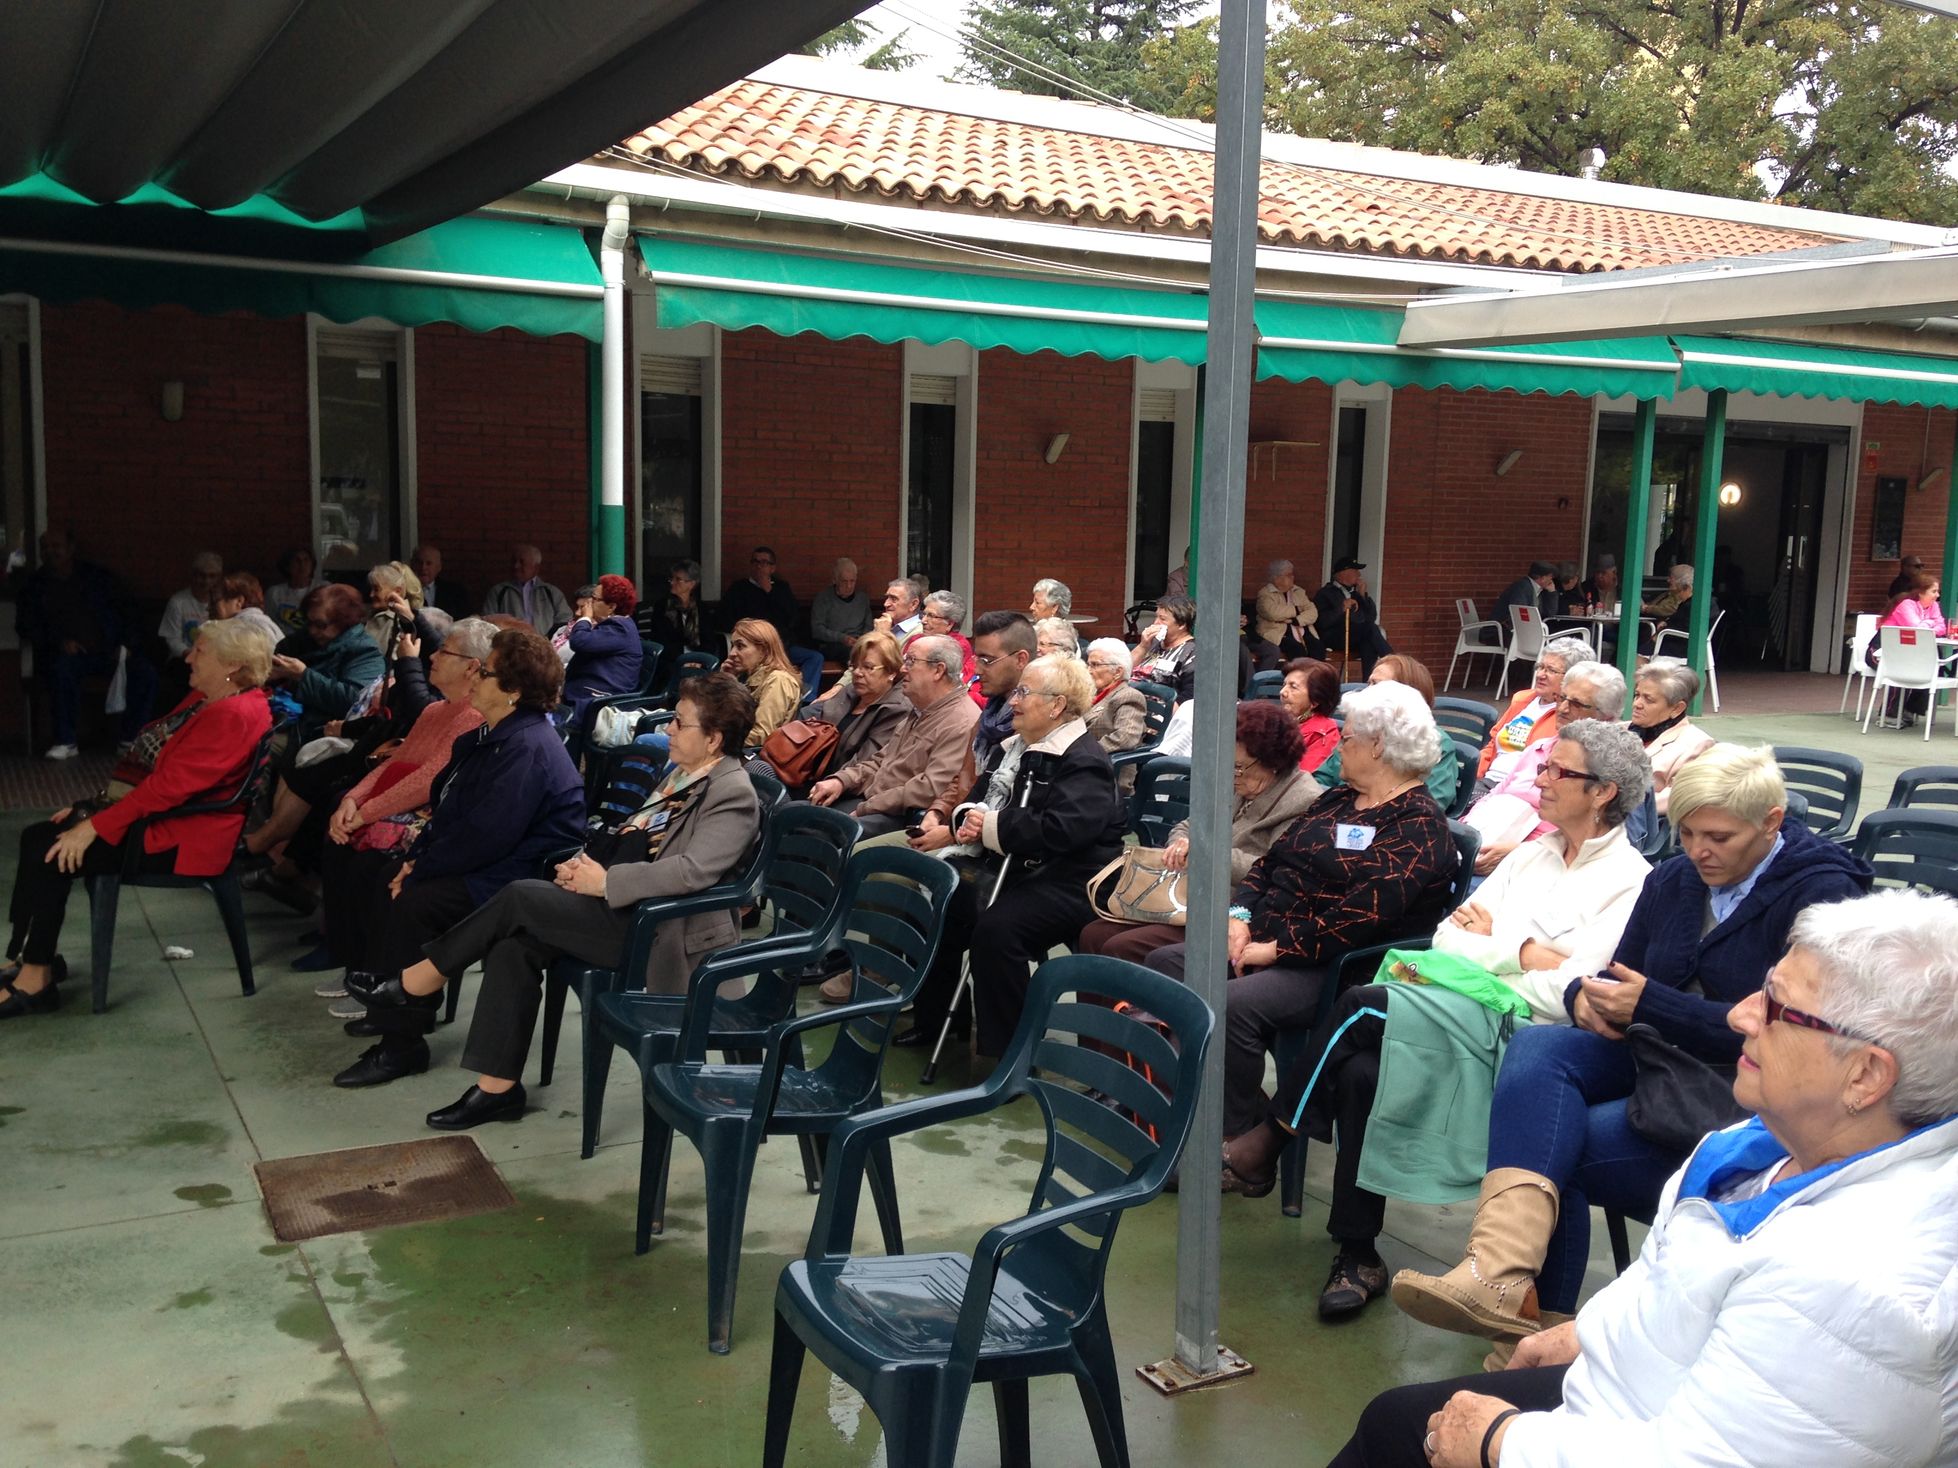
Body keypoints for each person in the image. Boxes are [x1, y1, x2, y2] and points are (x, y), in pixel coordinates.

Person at [1331, 887, 1958, 1468]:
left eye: (1777, 1008)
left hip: (1651, 1434)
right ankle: (1501, 1272)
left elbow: (1704, 1459)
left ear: (1865, 1076)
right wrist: (1588, 1332)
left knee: (1398, 1432)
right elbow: (1673, 1280)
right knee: (1394, 1419)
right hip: (1638, 1397)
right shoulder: (1763, 1146)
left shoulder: (1854, 1283)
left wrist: (1501, 1441)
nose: (1741, 1016)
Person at [1392, 744, 1872, 1345]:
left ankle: (1526, 1335)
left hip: (1741, 1090)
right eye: (1687, 832)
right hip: (1658, 1059)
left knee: (1554, 1146)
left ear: (1771, 822)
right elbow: (1620, 976)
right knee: (1541, 1047)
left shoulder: (1825, 899)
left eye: (1719, 837)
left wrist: (1650, 1006)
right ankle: (1496, 1273)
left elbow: (1791, 1037)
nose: (1699, 850)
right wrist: (1585, 998)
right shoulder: (1674, 878)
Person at [1220, 721, 1652, 1321]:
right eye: (1545, 766)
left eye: (1559, 770)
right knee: (1362, 1070)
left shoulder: (1630, 882)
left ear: (1603, 791)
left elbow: (1571, 994)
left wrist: (1497, 949)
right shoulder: (1532, 855)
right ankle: (1357, 1253)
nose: (1540, 779)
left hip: (1530, 1042)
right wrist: (1526, 954)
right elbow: (1447, 937)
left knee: (1364, 1003)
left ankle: (1272, 1135)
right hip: (1455, 1010)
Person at [352, 673, 763, 1128]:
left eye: (680, 723)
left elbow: (692, 871)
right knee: (514, 945)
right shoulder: (684, 773)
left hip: (660, 930)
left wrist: (605, 883)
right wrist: (582, 868)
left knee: (519, 896)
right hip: (626, 910)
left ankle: (417, 982)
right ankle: (497, 1090)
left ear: (714, 738)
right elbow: (636, 839)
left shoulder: (733, 792)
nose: (668, 728)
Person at [1143, 682, 1459, 1139]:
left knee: (1230, 1006)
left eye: (1346, 738)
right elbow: (1269, 863)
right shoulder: (1337, 800)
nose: (1338, 747)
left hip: (1335, 966)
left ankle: (1225, 1139)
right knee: (1166, 964)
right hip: (1267, 935)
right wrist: (1239, 918)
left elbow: (1361, 917)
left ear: (1378, 746)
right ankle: (1205, 1105)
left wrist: (1277, 950)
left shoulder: (1417, 825)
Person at [326, 627, 586, 1087]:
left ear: (512, 690)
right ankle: (394, 1012)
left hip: (521, 878)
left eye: (485, 673)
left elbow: (486, 836)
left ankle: (401, 1044)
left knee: (416, 902)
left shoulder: (525, 746)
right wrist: (415, 860)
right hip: (494, 862)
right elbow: (450, 809)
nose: (474, 679)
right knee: (392, 876)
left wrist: (420, 869)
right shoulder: (494, 733)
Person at [2, 620, 272, 1016]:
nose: (188, 657)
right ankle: (32, 958)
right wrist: (91, 807)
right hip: (164, 821)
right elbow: (153, 771)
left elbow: (168, 788)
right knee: (36, 836)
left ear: (232, 664)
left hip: (182, 838)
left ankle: (36, 979)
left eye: (200, 651)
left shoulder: (234, 713)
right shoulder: (207, 698)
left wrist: (94, 824)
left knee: (48, 850)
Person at [910, 654, 1126, 1055]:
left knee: (998, 931)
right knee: (936, 899)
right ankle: (939, 1020)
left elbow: (1065, 830)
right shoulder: (1014, 748)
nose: (1013, 701)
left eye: (1024, 692)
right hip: (1016, 867)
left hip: (1071, 879)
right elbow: (975, 799)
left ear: (1057, 705)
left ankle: (1010, 1053)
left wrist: (990, 826)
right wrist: (967, 820)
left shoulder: (1084, 760)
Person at [289, 618, 493, 975]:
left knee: (366, 862)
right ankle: (337, 942)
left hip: (433, 819)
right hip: (403, 810)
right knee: (337, 832)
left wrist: (365, 813)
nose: (432, 657)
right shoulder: (434, 710)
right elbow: (394, 763)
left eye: (444, 651)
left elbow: (427, 781)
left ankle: (360, 960)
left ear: (471, 667)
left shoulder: (472, 716)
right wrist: (353, 800)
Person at [1077, 700, 1317, 969]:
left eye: (1239, 766)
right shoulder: (1239, 781)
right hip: (1187, 894)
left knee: (1120, 947)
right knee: (1092, 934)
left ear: (1273, 761)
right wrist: (1179, 846)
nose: (1232, 774)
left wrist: (1205, 852)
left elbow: (1275, 869)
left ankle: (1132, 999)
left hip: (1236, 910)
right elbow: (1187, 826)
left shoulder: (1302, 800)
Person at [809, 634, 979, 839]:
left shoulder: (961, 721)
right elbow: (880, 761)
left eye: (911, 661)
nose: (903, 669)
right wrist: (841, 781)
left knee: (813, 831)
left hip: (897, 817)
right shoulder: (922, 709)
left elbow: (928, 788)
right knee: (795, 813)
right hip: (870, 802)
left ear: (938, 670)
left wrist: (866, 807)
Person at [1464, 661, 1626, 874]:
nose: (1563, 708)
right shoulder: (1538, 749)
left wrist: (1517, 852)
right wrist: (1466, 832)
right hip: (1485, 843)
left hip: (1542, 866)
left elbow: (1588, 841)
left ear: (1606, 716)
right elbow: (1495, 794)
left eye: (1576, 704)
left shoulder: (1608, 770)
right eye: (1561, 698)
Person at [16, 528, 155, 760]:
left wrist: (127, 644)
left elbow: (128, 611)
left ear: (71, 549)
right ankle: (66, 740)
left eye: (56, 546)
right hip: (67, 655)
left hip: (109, 651)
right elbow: (26, 625)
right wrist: (59, 642)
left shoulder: (98, 578)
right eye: (45, 547)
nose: (50, 552)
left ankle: (130, 739)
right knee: (61, 671)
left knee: (144, 673)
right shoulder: (34, 586)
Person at [916, 611, 1035, 844]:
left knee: (874, 860)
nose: (978, 670)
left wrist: (951, 834)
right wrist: (937, 811)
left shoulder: (1031, 728)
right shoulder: (989, 716)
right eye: (977, 658)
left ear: (1021, 660)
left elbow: (1010, 807)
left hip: (978, 842)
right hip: (953, 822)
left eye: (987, 660)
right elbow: (963, 778)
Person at [1313, 654, 1458, 810]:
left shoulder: (1435, 742)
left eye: (1376, 685)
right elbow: (1320, 781)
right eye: (1368, 683)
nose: (1366, 691)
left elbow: (1431, 805)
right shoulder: (1354, 734)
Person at [267, 584, 386, 740]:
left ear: (344, 622)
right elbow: (277, 661)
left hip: (323, 734)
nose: (313, 631)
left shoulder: (365, 651)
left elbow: (355, 701)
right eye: (309, 622)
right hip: (286, 720)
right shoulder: (302, 640)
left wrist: (303, 676)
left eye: (320, 625)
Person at [1475, 637, 1594, 786]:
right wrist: (1472, 777)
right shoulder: (1522, 700)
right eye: (1540, 667)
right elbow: (1492, 744)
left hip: (1522, 789)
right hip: (1487, 782)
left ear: (1573, 678)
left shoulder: (1567, 715)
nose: (1540, 675)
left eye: (1551, 670)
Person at [800, 631, 909, 784]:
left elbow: (864, 764)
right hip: (805, 771)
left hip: (839, 786)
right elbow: (809, 716)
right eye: (854, 665)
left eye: (868, 667)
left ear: (891, 672)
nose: (857, 673)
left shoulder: (896, 709)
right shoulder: (851, 691)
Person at [724, 545, 823, 696]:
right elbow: (726, 618)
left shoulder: (781, 588)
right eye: (756, 561)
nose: (759, 566)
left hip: (782, 646)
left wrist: (769, 592)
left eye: (764, 562)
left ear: (772, 568)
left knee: (815, 657)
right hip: (754, 647)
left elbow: (792, 617)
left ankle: (806, 700)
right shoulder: (739, 588)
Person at [1629, 658, 1713, 816]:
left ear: (1677, 708)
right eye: (1637, 695)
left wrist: (1613, 807)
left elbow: (1676, 798)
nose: (1636, 704)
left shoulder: (1698, 744)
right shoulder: (1619, 730)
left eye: (1648, 699)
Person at [562, 574, 642, 725]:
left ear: (611, 607)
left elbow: (579, 641)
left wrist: (585, 618)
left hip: (601, 700)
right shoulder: (613, 625)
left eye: (594, 599)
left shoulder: (620, 628)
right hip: (585, 691)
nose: (589, 603)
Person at [720, 618, 802, 749]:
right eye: (732, 646)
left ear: (763, 650)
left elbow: (761, 734)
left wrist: (717, 743)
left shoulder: (778, 680)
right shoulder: (749, 678)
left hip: (755, 756)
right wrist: (726, 682)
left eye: (740, 646)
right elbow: (721, 719)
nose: (732, 653)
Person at [1314, 557, 1392, 676]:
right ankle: (1393, 663)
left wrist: (1363, 596)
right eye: (1355, 571)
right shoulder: (1326, 593)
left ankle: (1369, 682)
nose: (1359, 575)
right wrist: (1341, 609)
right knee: (1370, 629)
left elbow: (1371, 617)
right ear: (1343, 574)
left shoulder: (1355, 593)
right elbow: (1321, 622)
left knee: (1368, 643)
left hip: (1355, 636)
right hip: (1335, 637)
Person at [637, 558, 704, 689]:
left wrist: (699, 660)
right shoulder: (662, 607)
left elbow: (708, 640)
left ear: (691, 584)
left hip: (697, 661)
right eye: (672, 579)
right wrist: (683, 660)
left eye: (678, 579)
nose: (672, 582)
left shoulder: (701, 608)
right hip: (671, 660)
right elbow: (660, 640)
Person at [481, 544, 572, 636]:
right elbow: (487, 623)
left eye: (522, 562)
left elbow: (565, 620)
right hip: (510, 644)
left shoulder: (551, 593)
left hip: (545, 643)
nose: (516, 566)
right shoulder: (499, 592)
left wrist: (550, 639)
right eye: (514, 561)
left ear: (536, 567)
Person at [1081, 638, 1147, 762]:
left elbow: (1125, 738)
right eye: (1088, 665)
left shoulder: (1128, 696)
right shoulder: (1091, 692)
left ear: (1117, 672)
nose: (1089, 671)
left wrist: (1081, 752)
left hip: (1102, 765)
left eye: (1095, 665)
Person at [1278, 657, 1342, 772]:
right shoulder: (1277, 722)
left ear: (1315, 700)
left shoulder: (1324, 734)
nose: (1282, 692)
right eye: (1284, 685)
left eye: (1293, 687)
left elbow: (1305, 776)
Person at [160, 551, 224, 659]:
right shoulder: (177, 602)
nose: (206, 581)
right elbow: (172, 639)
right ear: (193, 575)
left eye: (212, 576)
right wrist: (192, 655)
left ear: (219, 578)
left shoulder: (223, 602)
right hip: (184, 659)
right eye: (202, 575)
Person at [1132, 593, 1197, 702]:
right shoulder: (1153, 642)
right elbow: (1124, 670)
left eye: (1162, 619)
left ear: (1181, 624)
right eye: (1156, 617)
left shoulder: (1192, 652)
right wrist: (1142, 646)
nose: (1156, 622)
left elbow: (1189, 695)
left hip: (1159, 708)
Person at [810, 557, 874, 664]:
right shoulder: (823, 598)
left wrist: (862, 640)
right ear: (835, 580)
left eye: (852, 581)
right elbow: (817, 630)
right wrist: (842, 638)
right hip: (833, 644)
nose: (849, 586)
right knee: (850, 653)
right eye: (844, 581)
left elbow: (869, 626)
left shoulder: (862, 599)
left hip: (860, 643)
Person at [211, 572, 285, 658]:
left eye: (214, 602)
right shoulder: (262, 622)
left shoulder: (243, 627)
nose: (209, 607)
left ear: (239, 601)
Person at [1256, 559, 1320, 658]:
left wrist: (1297, 620)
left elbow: (1313, 612)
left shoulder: (1298, 592)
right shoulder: (1265, 593)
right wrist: (1297, 610)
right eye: (1289, 575)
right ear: (1277, 578)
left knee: (1317, 647)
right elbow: (1272, 613)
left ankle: (1315, 669)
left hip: (1301, 629)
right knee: (1297, 649)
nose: (1292, 577)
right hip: (1278, 633)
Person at [364, 561, 425, 659]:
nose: (371, 595)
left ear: (397, 591)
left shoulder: (399, 623)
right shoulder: (369, 616)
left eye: (376, 589)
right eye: (371, 589)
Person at [920, 590, 977, 684]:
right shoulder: (917, 638)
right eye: (924, 614)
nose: (923, 620)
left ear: (950, 624)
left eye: (931, 616)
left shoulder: (957, 647)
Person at [267, 546, 323, 631]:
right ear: (287, 566)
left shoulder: (323, 589)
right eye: (297, 560)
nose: (302, 565)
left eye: (306, 560)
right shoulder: (274, 593)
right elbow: (270, 622)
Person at [410, 544, 470, 618]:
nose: (423, 567)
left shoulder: (455, 592)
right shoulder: (403, 591)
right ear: (412, 565)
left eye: (429, 563)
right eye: (419, 563)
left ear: (438, 567)